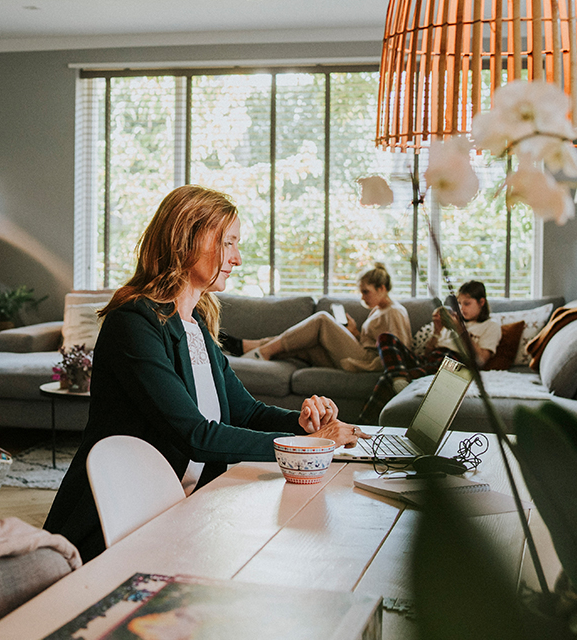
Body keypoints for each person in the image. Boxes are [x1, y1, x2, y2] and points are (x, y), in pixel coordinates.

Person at [44, 185, 368, 562]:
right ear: (187, 240)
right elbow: (195, 435)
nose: (238, 258)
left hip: (184, 506)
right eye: (228, 242)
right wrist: (309, 447)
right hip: (120, 519)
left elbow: (245, 412)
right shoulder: (134, 323)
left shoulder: (195, 322)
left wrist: (304, 424)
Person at [358, 280, 501, 423]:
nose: (461, 308)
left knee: (386, 379)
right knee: (385, 338)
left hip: (452, 363)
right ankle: (400, 379)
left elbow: (481, 360)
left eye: (467, 303)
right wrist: (437, 331)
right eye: (459, 303)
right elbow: (428, 354)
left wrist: (460, 330)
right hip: (431, 361)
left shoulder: (490, 326)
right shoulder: (452, 321)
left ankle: (361, 425)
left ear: (481, 302)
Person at [241, 263, 412, 372]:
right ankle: (251, 348)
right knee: (306, 345)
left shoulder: (394, 311)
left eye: (366, 291)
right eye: (361, 292)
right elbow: (373, 341)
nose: (362, 297)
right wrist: (354, 333)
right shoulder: (377, 310)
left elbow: (400, 349)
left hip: (367, 362)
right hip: (361, 354)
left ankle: (260, 350)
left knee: (322, 318)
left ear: (382, 288)